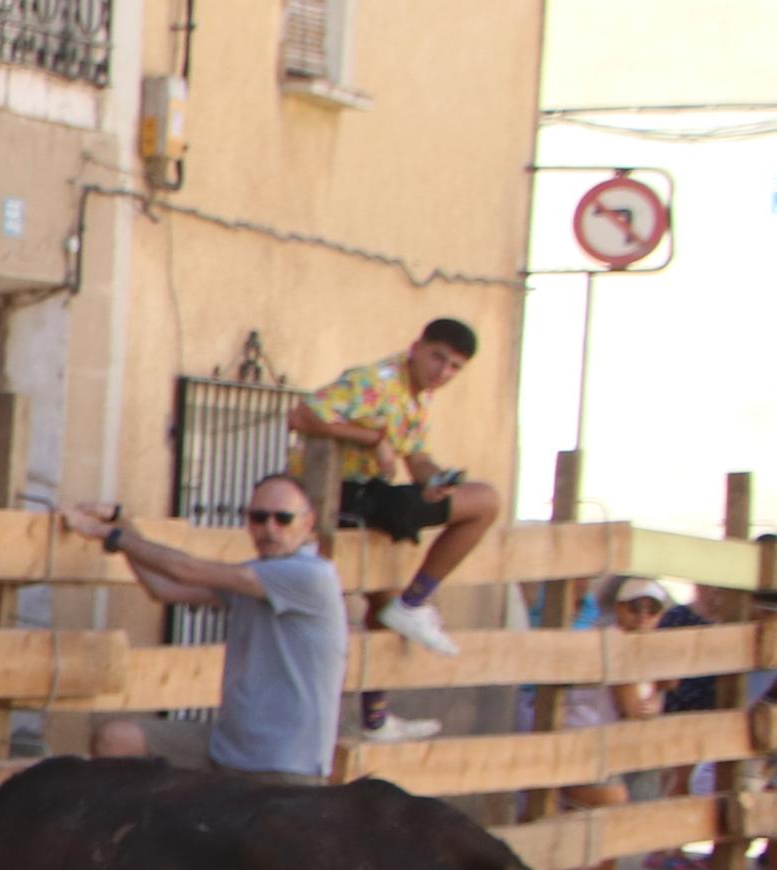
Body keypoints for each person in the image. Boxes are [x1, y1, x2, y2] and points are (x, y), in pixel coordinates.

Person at [61, 476, 347, 780]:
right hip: (227, 749)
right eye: (259, 518)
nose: (270, 528)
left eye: (283, 518)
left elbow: (185, 570)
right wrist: (122, 524)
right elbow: (165, 588)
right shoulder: (254, 576)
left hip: (284, 766)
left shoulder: (311, 575)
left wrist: (112, 535)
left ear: (308, 523)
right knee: (115, 740)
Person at [289, 316, 500, 702]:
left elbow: (415, 456)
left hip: (368, 497)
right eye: (438, 358)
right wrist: (373, 438)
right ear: (416, 347)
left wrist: (436, 481)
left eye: (454, 367)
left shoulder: (418, 395)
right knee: (486, 501)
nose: (443, 372)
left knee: (384, 603)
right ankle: (417, 600)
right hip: (340, 495)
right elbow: (301, 415)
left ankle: (374, 717)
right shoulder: (376, 381)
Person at [547, 577, 672, 870]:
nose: (643, 617)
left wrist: (655, 702)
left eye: (652, 610)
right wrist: (656, 699)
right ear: (617, 608)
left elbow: (653, 696)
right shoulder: (615, 644)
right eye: (635, 607)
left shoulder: (633, 647)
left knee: (605, 830)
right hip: (585, 743)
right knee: (601, 822)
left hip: (604, 745)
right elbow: (633, 707)